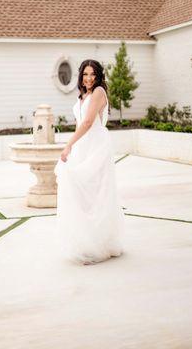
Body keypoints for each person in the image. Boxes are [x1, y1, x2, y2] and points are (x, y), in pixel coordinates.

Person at [54, 59, 125, 265]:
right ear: (80, 76)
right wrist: (75, 147)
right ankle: (86, 243)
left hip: (96, 145)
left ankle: (97, 246)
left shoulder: (99, 92)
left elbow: (87, 122)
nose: (89, 78)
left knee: (95, 194)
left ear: (99, 76)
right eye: (85, 74)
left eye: (93, 74)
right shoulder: (83, 94)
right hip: (83, 146)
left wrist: (68, 145)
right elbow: (80, 123)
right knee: (82, 195)